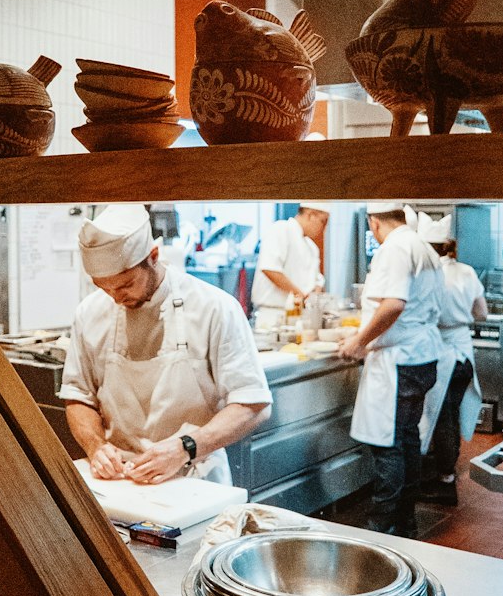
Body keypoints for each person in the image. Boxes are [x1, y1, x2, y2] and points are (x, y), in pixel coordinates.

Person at [60, 203, 272, 486]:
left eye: (125, 285)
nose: (115, 297)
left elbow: (253, 404)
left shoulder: (215, 308)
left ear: (154, 256)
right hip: (119, 480)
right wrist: (96, 446)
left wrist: (186, 447)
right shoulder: (89, 313)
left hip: (195, 477)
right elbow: (78, 397)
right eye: (103, 287)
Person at [339, 199, 446, 536]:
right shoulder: (421, 246)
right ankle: (406, 522)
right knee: (408, 438)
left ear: (374, 222)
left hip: (400, 360)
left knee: (389, 445)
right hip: (421, 355)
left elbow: (393, 304)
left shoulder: (395, 247)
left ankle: (382, 528)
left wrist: (358, 341)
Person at [417, 212, 488, 506]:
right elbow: (481, 314)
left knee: (441, 418)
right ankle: (445, 475)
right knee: (450, 417)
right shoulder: (468, 272)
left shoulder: (428, 274)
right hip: (463, 354)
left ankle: (445, 482)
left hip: (439, 353)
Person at [250, 203, 332, 331]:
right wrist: (300, 295)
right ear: (311, 215)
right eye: (323, 221)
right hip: (273, 317)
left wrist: (314, 295)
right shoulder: (281, 229)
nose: (323, 228)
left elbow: (317, 281)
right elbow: (270, 269)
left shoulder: (311, 247)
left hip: (300, 317)